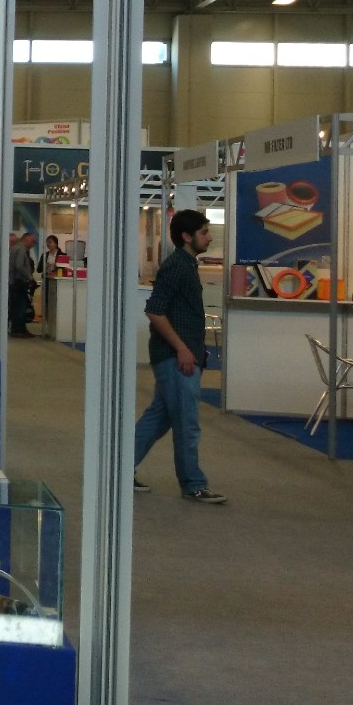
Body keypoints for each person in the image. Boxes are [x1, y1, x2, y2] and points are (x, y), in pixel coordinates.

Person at [133, 209, 226, 504]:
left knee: (159, 417)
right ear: (187, 236)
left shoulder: (185, 265)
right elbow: (154, 310)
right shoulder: (177, 267)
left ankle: (119, 467)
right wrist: (182, 349)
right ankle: (193, 484)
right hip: (176, 359)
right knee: (187, 422)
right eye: (204, 232)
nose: (209, 238)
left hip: (178, 356)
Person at [8, 232, 37, 338]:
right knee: (20, 307)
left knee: (15, 307)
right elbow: (19, 265)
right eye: (32, 241)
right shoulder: (21, 250)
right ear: (26, 240)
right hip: (19, 282)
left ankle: (19, 329)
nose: (34, 244)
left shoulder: (13, 248)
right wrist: (30, 277)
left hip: (12, 282)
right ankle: (18, 330)